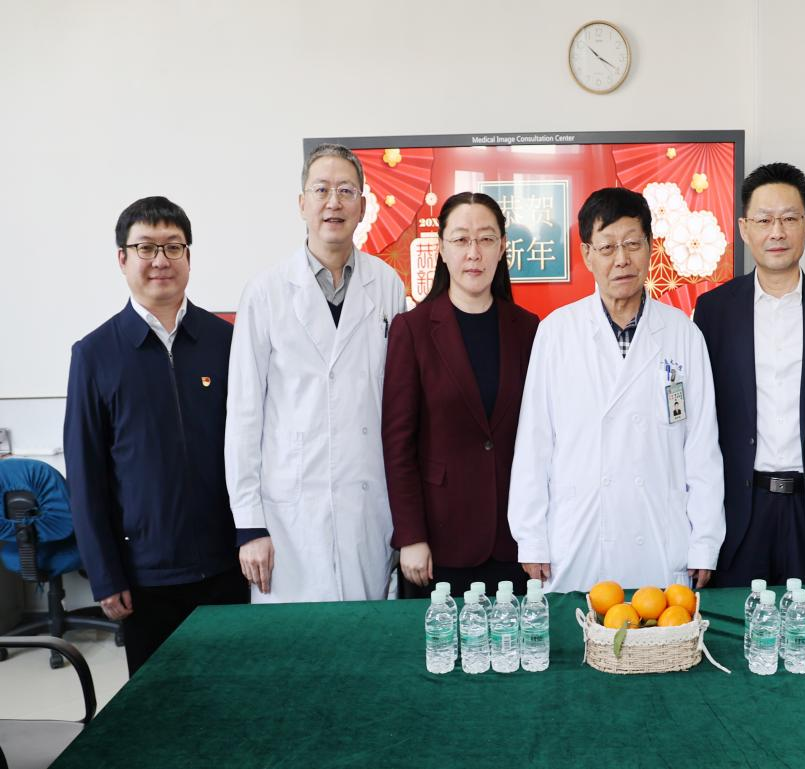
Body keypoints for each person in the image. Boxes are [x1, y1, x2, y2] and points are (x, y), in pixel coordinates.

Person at [507, 187, 725, 593]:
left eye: (632, 244)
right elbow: (535, 443)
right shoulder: (557, 332)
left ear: (650, 247)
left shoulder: (683, 334)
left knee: (659, 630)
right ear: (587, 254)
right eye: (607, 247)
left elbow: (701, 449)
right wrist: (531, 538)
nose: (621, 259)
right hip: (579, 538)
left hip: (660, 536)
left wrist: (705, 542)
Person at [64, 197, 246, 674]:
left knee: (236, 693)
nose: (161, 260)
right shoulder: (95, 354)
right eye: (146, 247)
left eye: (173, 246)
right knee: (160, 702)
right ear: (122, 258)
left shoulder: (225, 341)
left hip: (227, 564)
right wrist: (105, 575)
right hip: (146, 574)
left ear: (189, 256)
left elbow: (252, 448)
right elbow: (85, 476)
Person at [225, 144, 407, 603]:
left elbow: (398, 406)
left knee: (366, 632)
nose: (333, 203)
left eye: (346, 191)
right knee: (294, 640)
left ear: (362, 206)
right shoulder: (265, 292)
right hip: (289, 514)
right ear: (302, 203)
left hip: (367, 505)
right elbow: (244, 415)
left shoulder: (387, 285)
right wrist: (250, 525)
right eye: (321, 189)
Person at [693, 162, 805, 588]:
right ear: (744, 228)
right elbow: (698, 426)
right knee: (735, 623)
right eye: (764, 220)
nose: (777, 232)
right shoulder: (714, 311)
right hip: (738, 511)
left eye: (789, 219)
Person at [382, 192, 539, 599]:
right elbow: (398, 445)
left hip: (515, 539)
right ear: (442, 248)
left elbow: (543, 438)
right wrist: (411, 536)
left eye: (486, 239)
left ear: (502, 248)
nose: (474, 253)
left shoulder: (528, 329)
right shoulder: (413, 329)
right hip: (438, 543)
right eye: (461, 239)